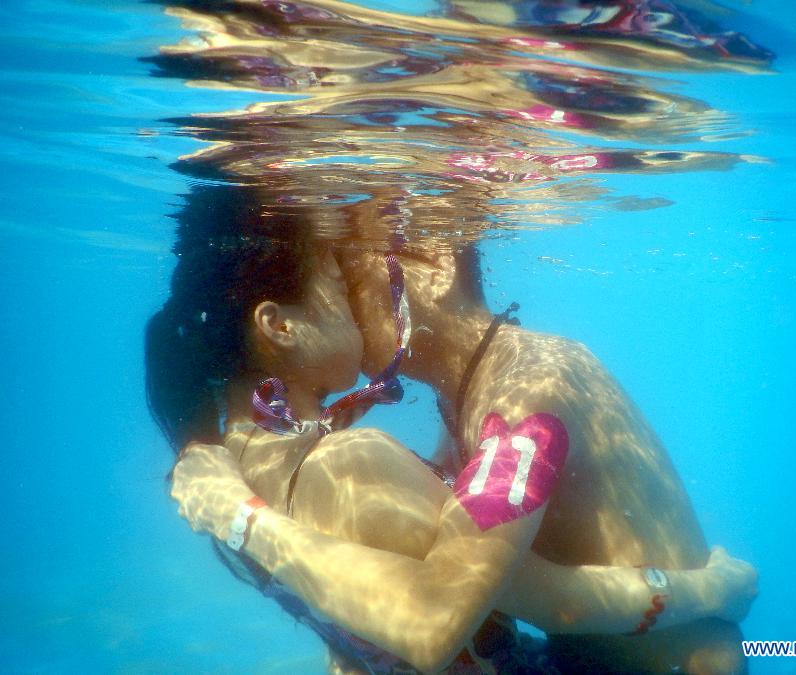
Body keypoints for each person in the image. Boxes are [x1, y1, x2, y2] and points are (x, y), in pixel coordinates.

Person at [152, 182, 757, 673]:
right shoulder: (354, 455)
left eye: (348, 276)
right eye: (335, 279)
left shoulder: (223, 463)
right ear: (279, 328)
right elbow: (489, 599)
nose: (355, 315)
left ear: (433, 264)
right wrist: (714, 588)